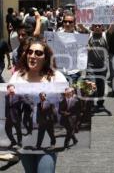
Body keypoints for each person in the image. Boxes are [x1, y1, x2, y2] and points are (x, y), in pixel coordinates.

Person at [9, 40, 67, 173]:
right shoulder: (17, 77)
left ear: (45, 58)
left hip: (47, 136)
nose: (32, 55)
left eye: (38, 53)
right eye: (30, 52)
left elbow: (67, 101)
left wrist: (84, 89)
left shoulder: (56, 77)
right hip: (25, 137)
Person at [5, 84, 23, 148]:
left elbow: (25, 102)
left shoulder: (19, 96)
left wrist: (21, 112)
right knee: (7, 129)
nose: (11, 90)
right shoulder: (6, 96)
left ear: (14, 89)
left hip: (16, 116)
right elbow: (7, 106)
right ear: (7, 90)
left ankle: (19, 143)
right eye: (10, 89)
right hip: (8, 117)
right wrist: (6, 115)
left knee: (18, 130)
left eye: (12, 88)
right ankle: (13, 141)